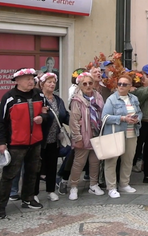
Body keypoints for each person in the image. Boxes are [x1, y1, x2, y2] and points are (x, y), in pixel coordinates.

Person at [0, 68, 48, 218]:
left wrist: (42, 117)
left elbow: (47, 113)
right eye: (27, 78)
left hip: (35, 142)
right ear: (17, 81)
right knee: (9, 176)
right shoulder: (9, 98)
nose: (31, 81)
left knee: (32, 172)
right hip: (16, 144)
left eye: (32, 78)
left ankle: (28, 199)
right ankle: (1, 206)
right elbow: (1, 122)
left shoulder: (39, 95)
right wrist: (2, 142)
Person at [101, 75, 143, 198]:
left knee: (128, 160)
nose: (121, 86)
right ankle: (111, 187)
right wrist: (122, 118)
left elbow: (139, 112)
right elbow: (105, 117)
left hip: (132, 133)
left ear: (130, 87)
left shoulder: (134, 98)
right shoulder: (111, 99)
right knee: (111, 161)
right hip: (116, 134)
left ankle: (124, 184)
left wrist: (137, 119)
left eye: (125, 84)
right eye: (119, 84)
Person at [67, 72, 105, 200]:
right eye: (85, 84)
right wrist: (77, 138)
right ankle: (73, 186)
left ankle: (93, 185)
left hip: (96, 133)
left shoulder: (98, 96)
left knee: (95, 162)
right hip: (83, 136)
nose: (88, 86)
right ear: (80, 85)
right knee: (79, 162)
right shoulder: (76, 100)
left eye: (90, 83)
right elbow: (73, 121)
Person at [36, 73, 70, 202]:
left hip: (54, 139)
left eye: (53, 82)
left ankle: (51, 191)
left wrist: (75, 121)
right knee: (37, 168)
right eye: (49, 82)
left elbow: (64, 115)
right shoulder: (38, 99)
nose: (52, 84)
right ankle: (34, 193)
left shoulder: (57, 99)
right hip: (40, 139)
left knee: (52, 166)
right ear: (42, 84)